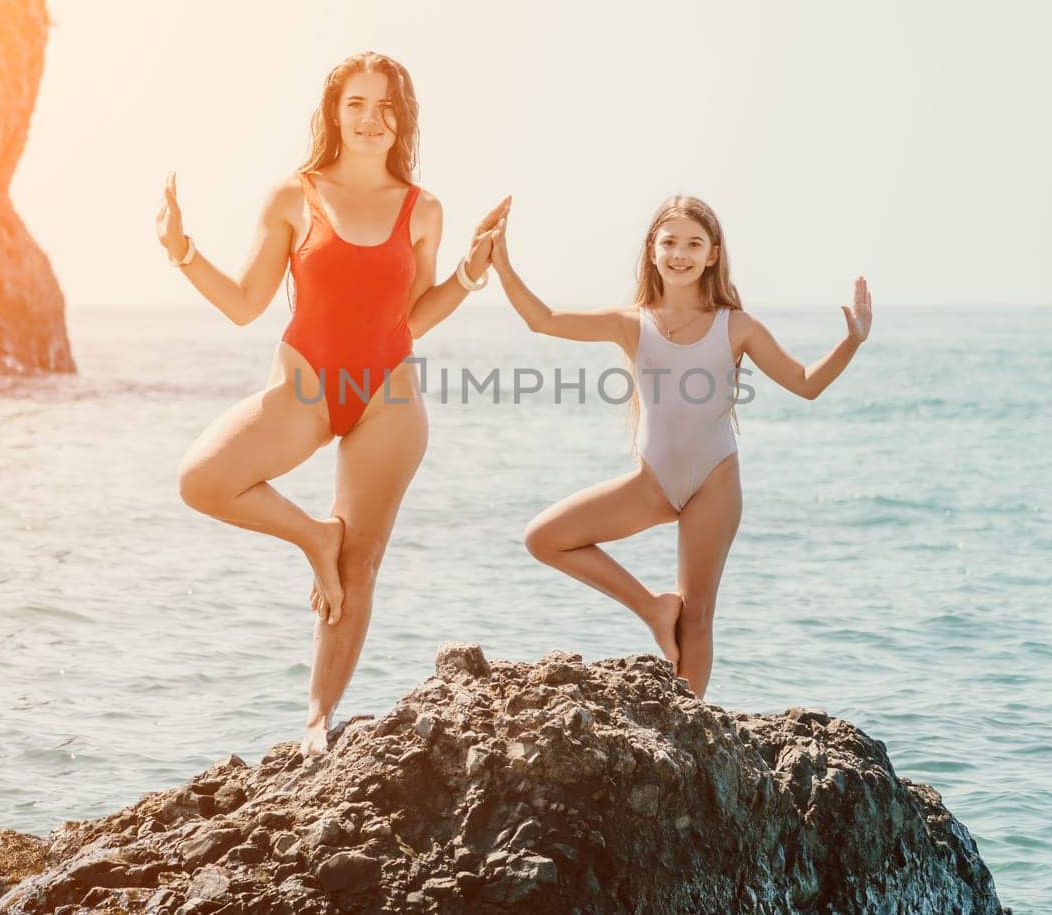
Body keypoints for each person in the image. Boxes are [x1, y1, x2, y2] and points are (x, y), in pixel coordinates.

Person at [155, 52, 507, 754]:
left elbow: (411, 316)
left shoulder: (423, 208)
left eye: (385, 106)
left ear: (400, 118)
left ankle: (317, 719)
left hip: (388, 400)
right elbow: (245, 304)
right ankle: (314, 535)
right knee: (202, 478)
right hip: (305, 388)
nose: (371, 118)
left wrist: (471, 271)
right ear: (334, 112)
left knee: (363, 561)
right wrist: (183, 249)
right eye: (356, 104)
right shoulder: (297, 196)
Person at [489, 194, 871, 697]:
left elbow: (805, 383)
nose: (680, 254)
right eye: (669, 242)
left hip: (714, 483)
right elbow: (545, 319)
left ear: (713, 254)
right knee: (544, 537)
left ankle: (690, 725)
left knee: (699, 617)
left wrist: (852, 341)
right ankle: (652, 607)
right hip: (654, 483)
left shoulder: (736, 326)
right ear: (653, 250)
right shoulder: (631, 323)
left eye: (694, 243)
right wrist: (501, 262)